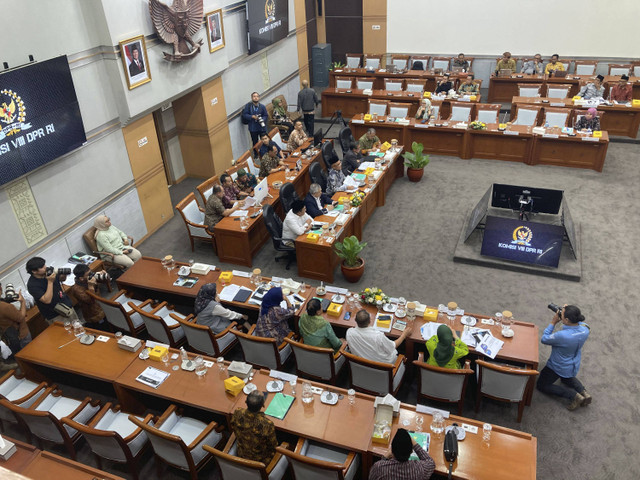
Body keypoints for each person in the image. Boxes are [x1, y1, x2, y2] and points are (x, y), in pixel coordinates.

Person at [537, 304, 591, 410]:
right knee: (566, 377)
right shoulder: (586, 329)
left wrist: (553, 322)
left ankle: (574, 396)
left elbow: (544, 339)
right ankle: (584, 392)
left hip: (557, 366)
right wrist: (568, 310)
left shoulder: (562, 335)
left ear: (566, 319)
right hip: (573, 363)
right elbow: (578, 323)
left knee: (541, 385)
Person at [346, 310, 413, 364]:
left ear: (355, 320)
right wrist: (404, 334)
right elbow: (393, 346)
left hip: (361, 366)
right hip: (384, 367)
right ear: (370, 321)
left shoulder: (349, 332)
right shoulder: (378, 336)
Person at [26, 257, 79, 325]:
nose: (45, 267)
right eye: (42, 267)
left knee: (77, 326)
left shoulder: (49, 272)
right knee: (65, 333)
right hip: (55, 314)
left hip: (67, 305)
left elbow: (62, 279)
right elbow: (47, 300)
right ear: (34, 271)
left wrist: (63, 274)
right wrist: (50, 282)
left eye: (44, 265)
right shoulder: (32, 285)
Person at [230, 390, 278, 465]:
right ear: (263, 405)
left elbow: (233, 427)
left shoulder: (237, 412)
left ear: (246, 402)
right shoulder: (267, 424)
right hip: (260, 461)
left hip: (242, 454)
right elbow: (273, 446)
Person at [368, 428, 435, 480]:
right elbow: (430, 462)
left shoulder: (379, 468)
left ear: (392, 450)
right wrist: (413, 442)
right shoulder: (419, 469)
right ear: (411, 451)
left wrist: (384, 457)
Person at [0, 283, 32, 357]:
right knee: (29, 355)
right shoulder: (5, 307)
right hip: (21, 335)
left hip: (8, 337)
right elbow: (21, 317)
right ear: (1, 288)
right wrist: (22, 301)